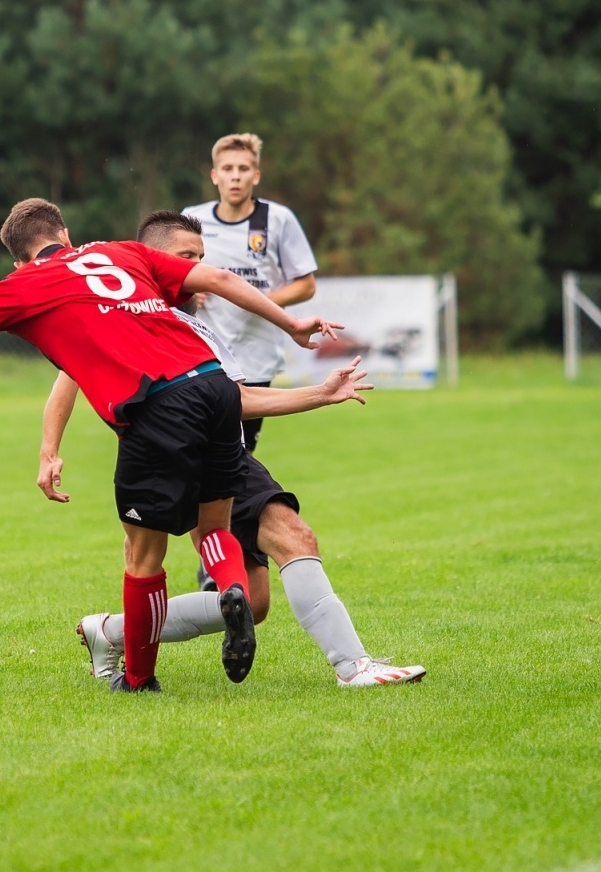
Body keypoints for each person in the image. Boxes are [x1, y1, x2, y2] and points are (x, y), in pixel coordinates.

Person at [0, 198, 342, 693]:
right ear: (67, 236)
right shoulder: (122, 253)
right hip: (219, 389)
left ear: (18, 260)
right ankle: (231, 587)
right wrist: (290, 324)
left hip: (155, 407)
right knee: (214, 529)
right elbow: (218, 279)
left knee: (143, 557)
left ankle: (140, 678)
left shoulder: (21, 287)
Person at [39, 214, 425, 688]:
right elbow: (71, 376)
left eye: (201, 258)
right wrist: (317, 395)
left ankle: (111, 631)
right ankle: (355, 667)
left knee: (254, 603)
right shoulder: (129, 316)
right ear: (155, 261)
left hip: (216, 451)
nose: (198, 269)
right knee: (293, 536)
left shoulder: (181, 323)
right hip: (193, 455)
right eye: (186, 258)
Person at [181, 133, 318, 454]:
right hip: (199, 355)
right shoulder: (192, 218)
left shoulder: (278, 219)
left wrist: (255, 300)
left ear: (255, 176)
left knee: (238, 456)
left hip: (254, 357)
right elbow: (171, 274)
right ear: (215, 175)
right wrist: (188, 290)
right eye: (227, 168)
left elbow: (306, 284)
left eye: (243, 169)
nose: (235, 176)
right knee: (195, 451)